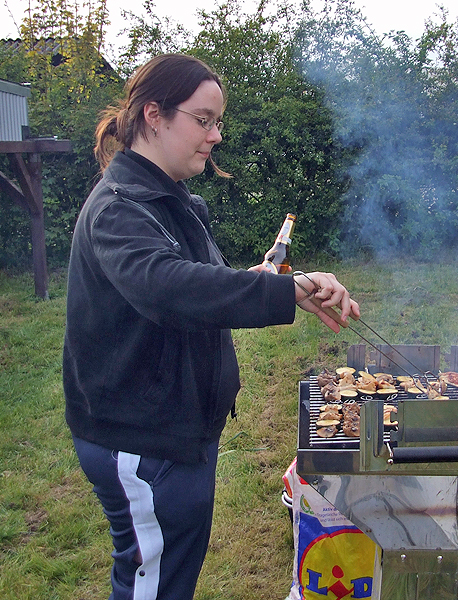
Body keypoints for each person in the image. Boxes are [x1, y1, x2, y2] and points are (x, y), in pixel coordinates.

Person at [62, 53, 361, 600]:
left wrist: (269, 282)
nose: (216, 135)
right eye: (203, 120)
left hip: (178, 430)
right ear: (154, 114)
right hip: (141, 439)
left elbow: (202, 288)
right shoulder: (118, 209)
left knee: (171, 578)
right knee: (153, 585)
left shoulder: (171, 200)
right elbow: (167, 288)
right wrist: (282, 291)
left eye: (217, 121)